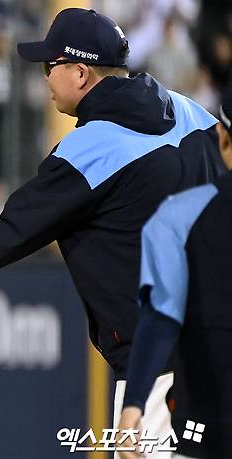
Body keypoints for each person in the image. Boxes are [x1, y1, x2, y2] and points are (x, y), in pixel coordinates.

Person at [0, 8, 226, 456]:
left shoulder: (91, 149)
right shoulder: (193, 114)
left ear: (80, 72)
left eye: (49, 66)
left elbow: (9, 234)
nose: (44, 77)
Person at [117, 88, 232, 458]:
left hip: (208, 430)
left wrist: (134, 404)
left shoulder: (179, 217)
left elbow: (160, 318)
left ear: (222, 138)